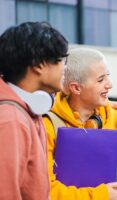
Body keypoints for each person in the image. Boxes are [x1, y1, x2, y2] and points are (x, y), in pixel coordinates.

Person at [43, 48, 117, 200]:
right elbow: (45, 190)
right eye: (101, 80)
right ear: (76, 88)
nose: (109, 85)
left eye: (108, 76)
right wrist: (99, 195)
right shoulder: (48, 125)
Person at [0, 22, 68, 200]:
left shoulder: (25, 111)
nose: (64, 69)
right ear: (38, 65)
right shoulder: (10, 119)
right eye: (61, 61)